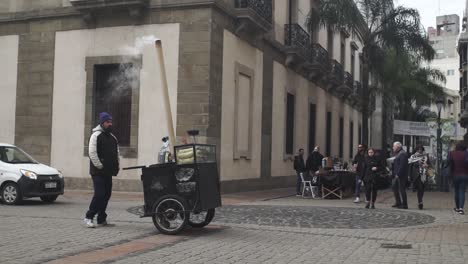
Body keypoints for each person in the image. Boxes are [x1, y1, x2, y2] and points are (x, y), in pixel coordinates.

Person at [84, 112, 120, 228]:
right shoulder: (95, 135)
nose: (110, 124)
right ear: (102, 123)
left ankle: (101, 218)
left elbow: (117, 153)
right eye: (107, 122)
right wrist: (99, 165)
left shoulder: (113, 137)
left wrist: (116, 166)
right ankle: (89, 217)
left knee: (107, 194)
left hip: (108, 172)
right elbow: (92, 153)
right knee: (99, 194)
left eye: (110, 122)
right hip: (98, 172)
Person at [448, 142, 468, 215]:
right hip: (465, 175)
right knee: (462, 191)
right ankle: (461, 209)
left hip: (455, 175)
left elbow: (449, 163)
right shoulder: (466, 153)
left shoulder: (452, 153)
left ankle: (457, 207)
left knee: (456, 191)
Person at [409, 145, 430, 210]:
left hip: (424, 174)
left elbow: (429, 164)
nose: (420, 150)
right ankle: (420, 201)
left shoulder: (426, 156)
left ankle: (420, 201)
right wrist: (409, 175)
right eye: (418, 149)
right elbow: (410, 166)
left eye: (421, 149)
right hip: (416, 175)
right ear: (416, 150)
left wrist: (427, 165)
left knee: (422, 188)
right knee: (419, 188)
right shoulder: (413, 156)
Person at [391, 141, 409, 209]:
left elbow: (402, 165)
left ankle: (404, 204)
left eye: (394, 146)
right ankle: (398, 202)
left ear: (398, 147)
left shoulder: (402, 154)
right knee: (394, 187)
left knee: (402, 189)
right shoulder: (399, 153)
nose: (393, 148)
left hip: (400, 175)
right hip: (397, 174)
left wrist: (398, 174)